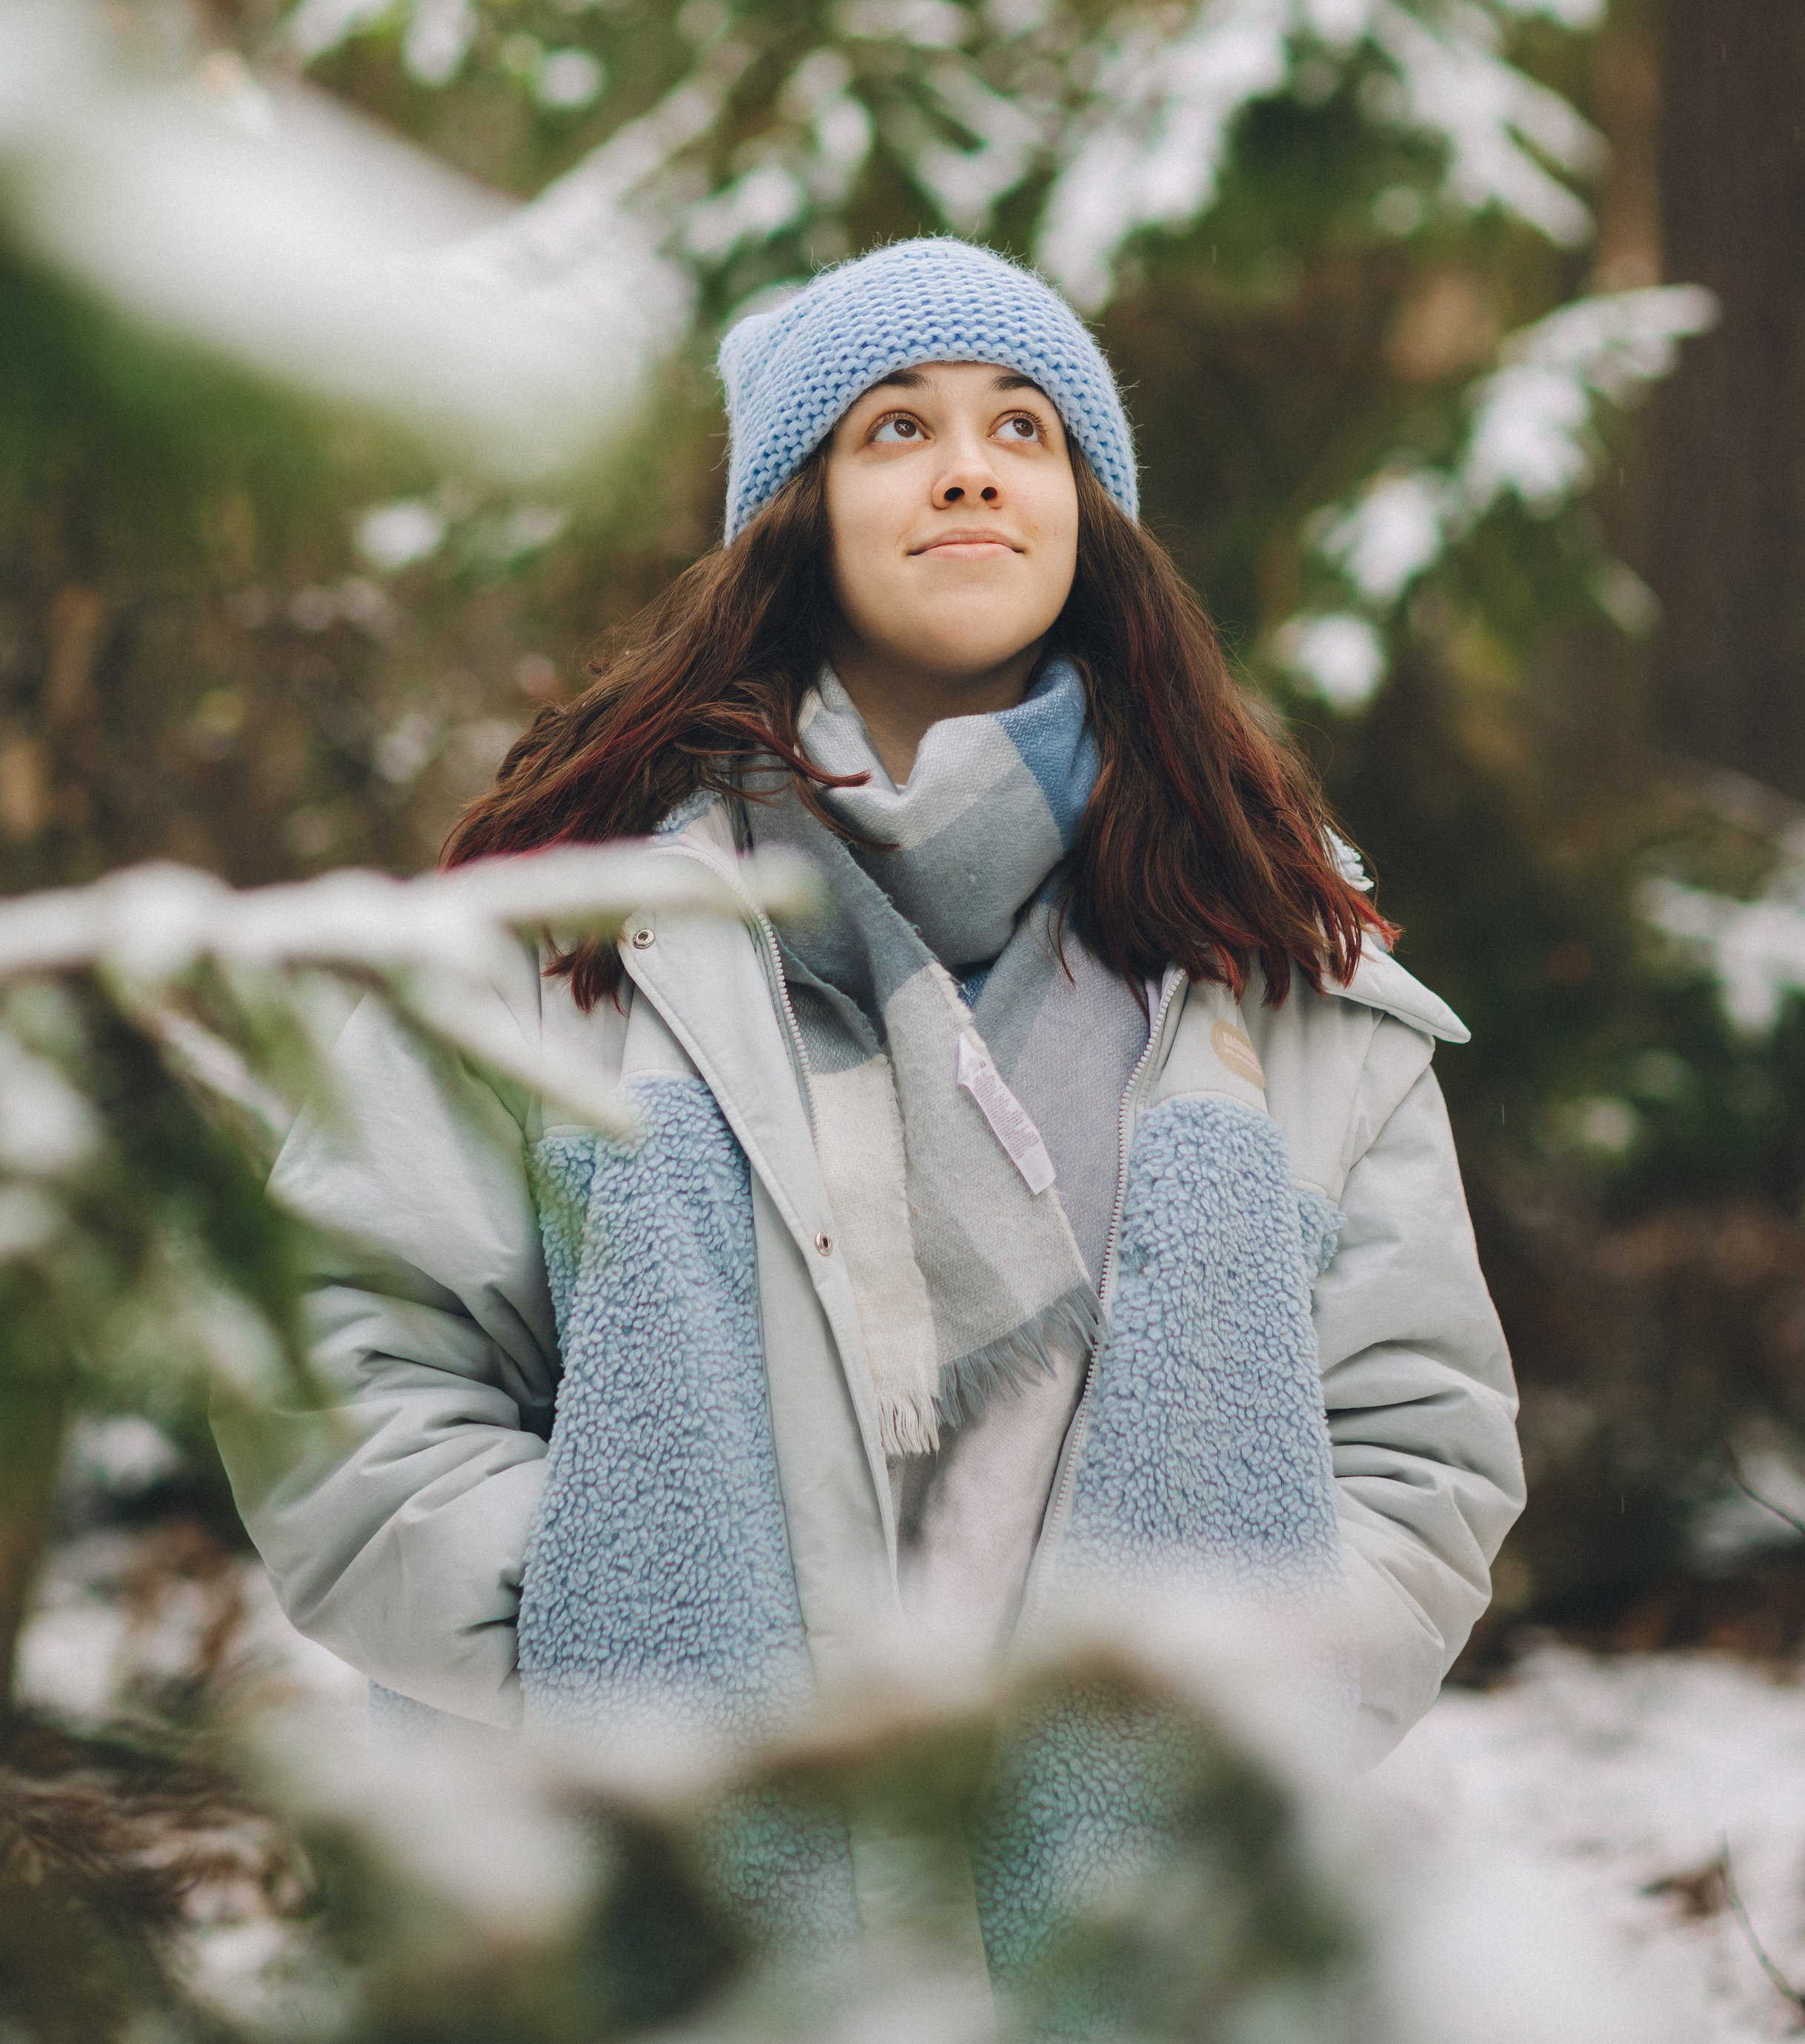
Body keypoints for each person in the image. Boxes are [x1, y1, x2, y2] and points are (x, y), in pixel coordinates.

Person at [219, 236, 1521, 1822]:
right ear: (796, 513)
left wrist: (1255, 1714)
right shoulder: (565, 941)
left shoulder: (1272, 971)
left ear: (1084, 519)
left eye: (1020, 428)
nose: (968, 470)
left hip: (1145, 1921)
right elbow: (341, 1369)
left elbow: (1414, 1445)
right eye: (895, 427)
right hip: (650, 1895)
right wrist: (605, 1656)